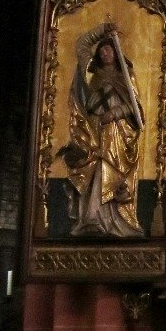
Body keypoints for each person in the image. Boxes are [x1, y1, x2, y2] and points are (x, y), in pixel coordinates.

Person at [61, 22, 144, 237]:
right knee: (93, 167)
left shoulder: (126, 75)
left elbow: (136, 108)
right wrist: (102, 30)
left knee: (110, 170)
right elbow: (81, 44)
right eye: (102, 50)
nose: (105, 53)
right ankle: (92, 218)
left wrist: (115, 113)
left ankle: (114, 221)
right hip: (94, 128)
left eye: (109, 49)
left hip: (116, 131)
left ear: (116, 52)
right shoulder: (92, 72)